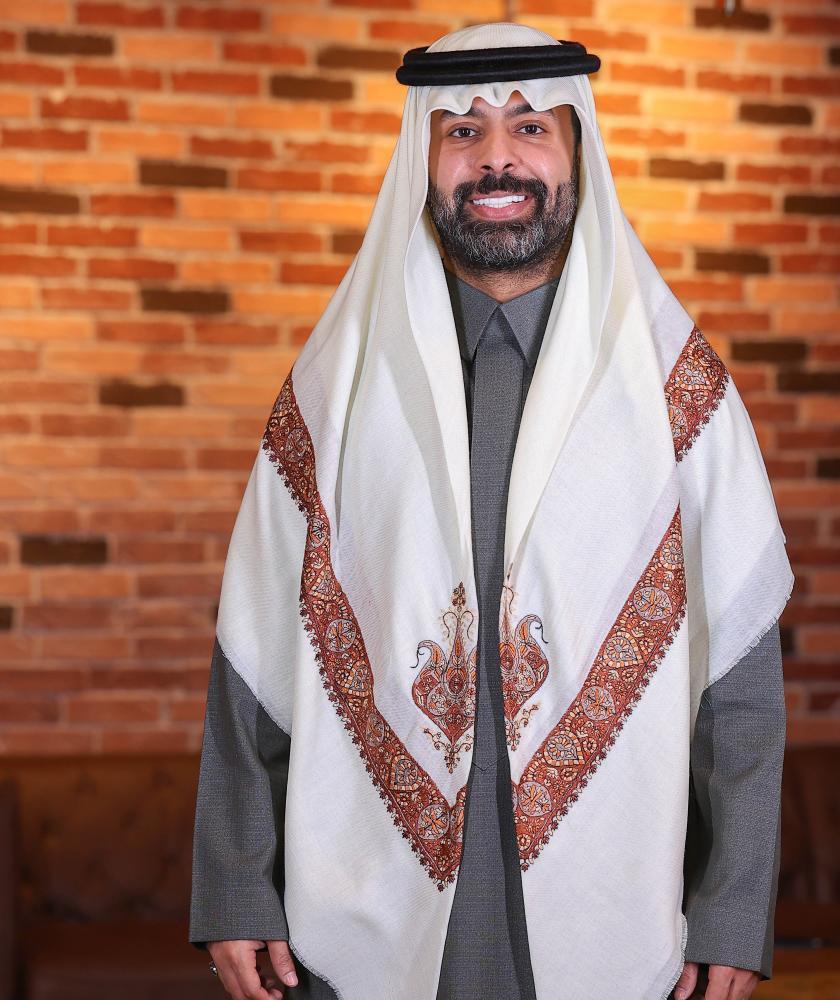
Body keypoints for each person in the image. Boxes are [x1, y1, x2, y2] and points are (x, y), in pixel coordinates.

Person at [189, 21, 793, 1000]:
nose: (497, 158)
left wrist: (732, 909)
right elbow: (253, 659)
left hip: (617, 912)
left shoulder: (675, 394)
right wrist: (233, 887)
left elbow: (741, 685)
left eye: (530, 127)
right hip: (364, 915)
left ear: (577, 151)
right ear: (422, 160)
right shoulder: (337, 389)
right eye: (463, 131)